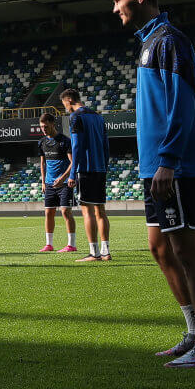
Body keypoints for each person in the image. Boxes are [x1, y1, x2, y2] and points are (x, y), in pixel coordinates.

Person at [111, 0, 195, 368]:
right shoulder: (147, 43)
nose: (115, 10)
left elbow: (184, 101)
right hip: (154, 166)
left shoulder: (170, 41)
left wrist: (169, 161)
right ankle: (193, 335)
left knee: (187, 250)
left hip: (171, 166)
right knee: (160, 249)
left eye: (118, 1)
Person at [61, 88, 111, 262]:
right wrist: (105, 165)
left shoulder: (76, 117)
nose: (65, 108)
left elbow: (77, 146)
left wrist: (73, 173)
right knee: (101, 211)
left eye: (64, 104)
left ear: (69, 100)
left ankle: (94, 253)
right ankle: (106, 252)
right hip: (100, 168)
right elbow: (106, 144)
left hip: (86, 169)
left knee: (87, 211)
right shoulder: (98, 117)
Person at [36, 112, 78, 253]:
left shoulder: (65, 141)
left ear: (52, 124)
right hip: (49, 184)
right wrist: (43, 182)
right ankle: (49, 244)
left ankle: (71, 245)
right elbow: (42, 164)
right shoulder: (41, 143)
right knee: (48, 213)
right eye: (41, 127)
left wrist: (62, 178)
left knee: (66, 212)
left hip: (65, 183)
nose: (43, 129)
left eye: (46, 126)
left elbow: (72, 163)